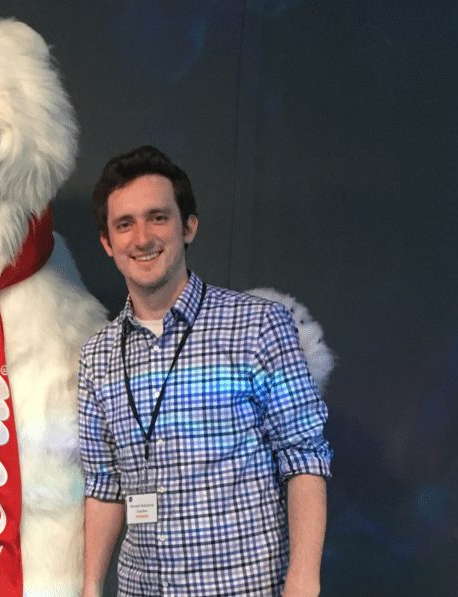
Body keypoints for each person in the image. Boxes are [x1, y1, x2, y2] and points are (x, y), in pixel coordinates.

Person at [78, 146, 332, 597]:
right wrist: (91, 586)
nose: (142, 238)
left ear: (188, 226)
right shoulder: (98, 355)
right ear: (107, 243)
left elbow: (305, 456)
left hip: (243, 587)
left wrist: (303, 580)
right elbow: (104, 485)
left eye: (158, 217)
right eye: (125, 224)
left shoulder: (258, 325)